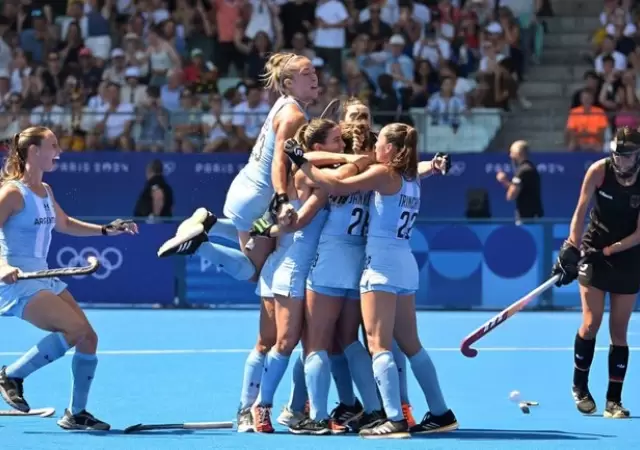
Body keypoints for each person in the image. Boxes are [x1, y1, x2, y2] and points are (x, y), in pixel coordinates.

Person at [283, 123, 458, 438]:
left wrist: (302, 161)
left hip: (379, 267)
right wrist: (432, 166)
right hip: (405, 264)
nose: (375, 146)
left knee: (377, 345)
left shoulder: (383, 175)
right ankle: (441, 411)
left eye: (382, 143)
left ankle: (393, 418)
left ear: (390, 149)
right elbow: (415, 167)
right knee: (411, 344)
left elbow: (336, 187)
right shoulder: (411, 177)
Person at [0, 127, 138, 430]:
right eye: (53, 146)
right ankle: (11, 375)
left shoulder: (46, 191)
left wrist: (105, 231)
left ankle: (76, 414)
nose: (59, 152)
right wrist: (1, 267)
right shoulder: (11, 192)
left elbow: (63, 223)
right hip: (17, 281)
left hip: (44, 276)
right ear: (34, 152)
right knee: (74, 329)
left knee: (89, 338)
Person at [249, 118, 370, 434]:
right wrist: (352, 159)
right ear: (318, 147)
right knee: (286, 342)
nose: (341, 145)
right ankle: (261, 407)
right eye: (336, 141)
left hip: (311, 270)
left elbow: (313, 160)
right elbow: (304, 206)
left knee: (314, 344)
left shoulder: (317, 171)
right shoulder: (311, 178)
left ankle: (313, 412)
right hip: (293, 269)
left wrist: (349, 160)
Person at [552, 126, 640, 419]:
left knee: (619, 331)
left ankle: (613, 401)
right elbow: (580, 210)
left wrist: (610, 251)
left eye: (626, 155)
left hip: (626, 255)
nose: (620, 159)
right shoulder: (598, 171)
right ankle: (579, 386)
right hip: (593, 250)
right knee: (592, 322)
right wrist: (570, 248)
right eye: (616, 152)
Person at [495, 140, 543, 223]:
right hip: (531, 216)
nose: (510, 156)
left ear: (518, 153)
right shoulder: (529, 168)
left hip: (527, 218)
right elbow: (518, 188)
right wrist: (505, 181)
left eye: (511, 152)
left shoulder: (523, 171)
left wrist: (504, 181)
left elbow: (511, 195)